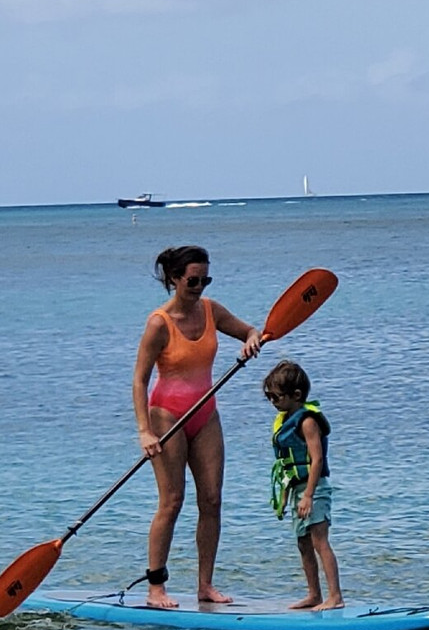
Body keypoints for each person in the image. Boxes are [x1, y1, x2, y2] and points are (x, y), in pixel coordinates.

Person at [133, 245, 262, 608]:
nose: (199, 287)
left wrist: (252, 339)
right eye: (193, 280)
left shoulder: (211, 310)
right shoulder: (159, 323)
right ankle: (156, 588)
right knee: (172, 500)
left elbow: (251, 331)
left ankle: (205, 586)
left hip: (205, 414)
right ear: (174, 279)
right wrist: (144, 431)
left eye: (205, 280)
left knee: (212, 499)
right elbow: (139, 380)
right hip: (167, 416)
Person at [264, 360, 344, 610]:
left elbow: (316, 459)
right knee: (303, 543)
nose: (272, 402)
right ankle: (314, 594)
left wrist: (309, 495)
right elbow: (287, 464)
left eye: (276, 397)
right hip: (298, 490)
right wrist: (285, 497)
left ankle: (336, 597)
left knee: (319, 540)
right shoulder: (285, 420)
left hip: (315, 489)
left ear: (296, 395)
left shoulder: (307, 421)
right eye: (269, 397)